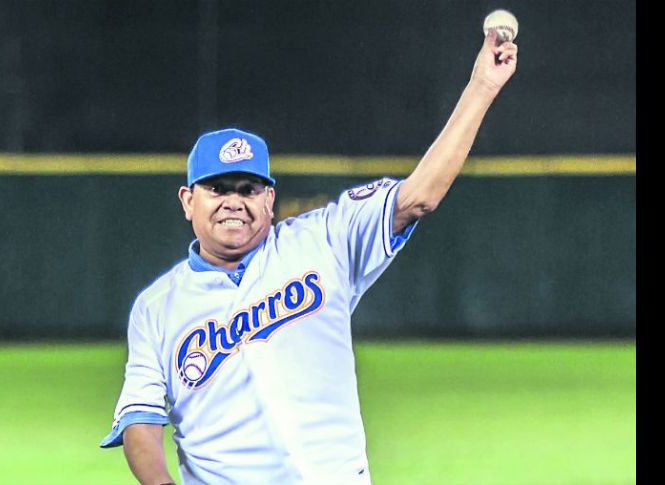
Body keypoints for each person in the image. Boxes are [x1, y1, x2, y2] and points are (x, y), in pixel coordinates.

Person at [101, 28, 517, 485]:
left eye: (248, 188)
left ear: (270, 199)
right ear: (187, 200)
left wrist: (481, 87)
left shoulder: (323, 241)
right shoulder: (156, 308)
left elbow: (417, 198)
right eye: (217, 188)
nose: (234, 201)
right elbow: (140, 419)